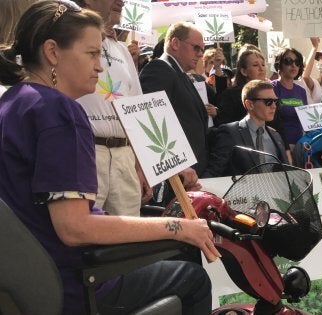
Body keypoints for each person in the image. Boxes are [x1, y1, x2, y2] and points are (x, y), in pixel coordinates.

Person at [0, 2, 220, 314]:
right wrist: (179, 227)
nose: (100, 67)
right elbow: (74, 228)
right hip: (75, 285)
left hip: (30, 281)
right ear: (52, 52)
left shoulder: (12, 102)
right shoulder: (59, 111)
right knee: (193, 278)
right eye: (91, 53)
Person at [74, 0, 151, 216]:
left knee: (127, 245)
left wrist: (140, 163)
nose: (123, 1)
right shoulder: (66, 41)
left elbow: (137, 106)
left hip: (124, 157)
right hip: (85, 153)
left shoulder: (121, 49)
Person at [140, 22, 210, 177]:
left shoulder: (179, 73)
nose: (200, 54)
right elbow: (150, 121)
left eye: (202, 49)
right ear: (175, 43)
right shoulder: (160, 68)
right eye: (196, 48)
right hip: (175, 175)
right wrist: (176, 165)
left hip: (190, 171)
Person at [206, 80, 288, 177]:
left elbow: (286, 173)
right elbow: (215, 170)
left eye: (276, 101)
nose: (274, 106)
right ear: (249, 104)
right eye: (268, 102)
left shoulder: (276, 136)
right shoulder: (230, 132)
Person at [214, 48, 266, 126]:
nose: (261, 69)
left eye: (263, 64)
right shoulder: (231, 96)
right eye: (255, 65)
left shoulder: (270, 92)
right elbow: (226, 124)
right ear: (244, 71)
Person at [269, 48, 308, 151]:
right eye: (288, 61)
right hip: (278, 145)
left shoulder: (301, 91)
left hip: (300, 145)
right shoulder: (271, 88)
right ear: (279, 64)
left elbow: (306, 120)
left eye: (297, 62)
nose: (293, 65)